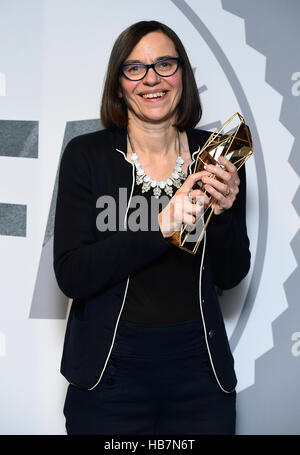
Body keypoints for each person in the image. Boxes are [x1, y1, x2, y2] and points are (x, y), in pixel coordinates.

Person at [53, 20, 251, 435]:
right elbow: (72, 274)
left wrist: (226, 212)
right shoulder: (86, 156)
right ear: (119, 82)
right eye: (135, 68)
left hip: (199, 371)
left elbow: (232, 275)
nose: (152, 79)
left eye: (165, 64)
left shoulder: (217, 157)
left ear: (183, 74)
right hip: (109, 372)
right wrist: (160, 226)